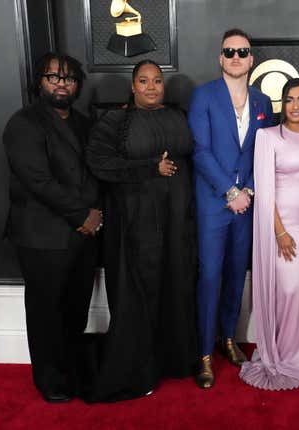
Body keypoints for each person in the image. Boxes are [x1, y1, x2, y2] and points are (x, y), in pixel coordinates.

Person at [84, 59, 197, 402]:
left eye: (157, 81)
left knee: (176, 283)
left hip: (178, 220)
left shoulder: (178, 116)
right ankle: (138, 367)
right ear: (133, 87)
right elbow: (99, 163)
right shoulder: (116, 121)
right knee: (141, 288)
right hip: (136, 222)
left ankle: (175, 360)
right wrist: (149, 167)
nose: (151, 87)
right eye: (144, 81)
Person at [3, 53, 100, 403]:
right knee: (46, 313)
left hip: (83, 235)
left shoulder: (85, 122)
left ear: (77, 86)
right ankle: (49, 381)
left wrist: (95, 213)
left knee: (76, 309)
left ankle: (71, 371)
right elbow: (38, 180)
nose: (62, 83)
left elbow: (96, 172)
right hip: (43, 236)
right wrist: (82, 215)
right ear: (39, 82)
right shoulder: (23, 123)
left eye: (69, 78)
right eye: (53, 77)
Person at [188, 28, 273, 389]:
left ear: (251, 58)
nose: (236, 57)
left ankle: (228, 339)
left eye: (243, 51)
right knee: (210, 276)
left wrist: (248, 189)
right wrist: (229, 190)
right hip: (214, 202)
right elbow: (200, 151)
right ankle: (204, 352)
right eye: (229, 51)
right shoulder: (203, 95)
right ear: (221, 58)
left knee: (238, 274)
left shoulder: (262, 102)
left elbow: (265, 150)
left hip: (247, 203)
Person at [240, 78, 299, 390]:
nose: (295, 106)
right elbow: (264, 190)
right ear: (283, 103)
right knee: (288, 290)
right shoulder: (267, 137)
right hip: (284, 227)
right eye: (289, 99)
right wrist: (279, 232)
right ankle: (285, 354)